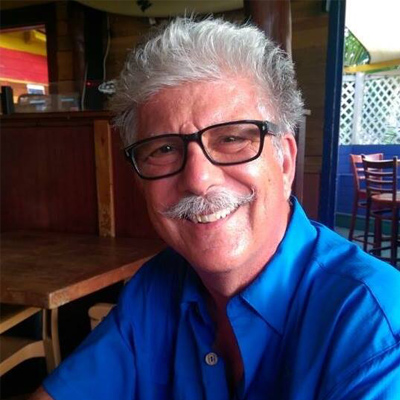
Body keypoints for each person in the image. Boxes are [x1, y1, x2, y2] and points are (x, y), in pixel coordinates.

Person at [32, 17, 400, 400]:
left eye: (231, 138)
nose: (198, 179)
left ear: (285, 162)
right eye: (164, 148)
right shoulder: (157, 284)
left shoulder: (377, 326)